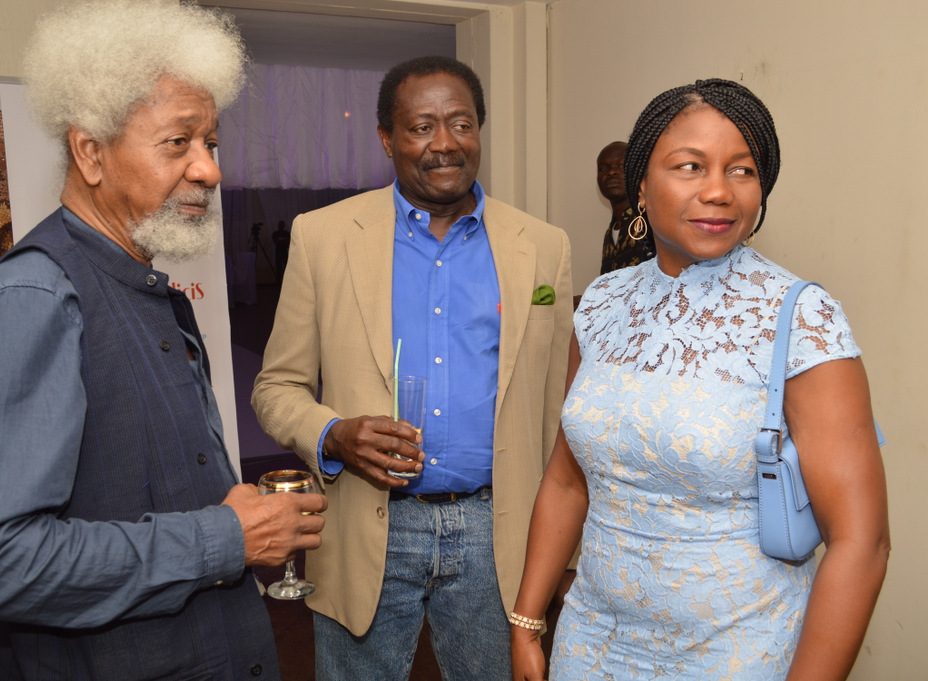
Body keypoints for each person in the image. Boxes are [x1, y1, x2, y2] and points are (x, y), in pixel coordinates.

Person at [0, 2, 325, 679]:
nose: (209, 170)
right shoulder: (39, 298)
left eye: (211, 144)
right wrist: (223, 538)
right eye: (178, 142)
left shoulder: (148, 288)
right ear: (91, 152)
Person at [510, 78, 889, 680]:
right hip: (591, 641)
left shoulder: (800, 318)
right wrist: (528, 619)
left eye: (742, 170)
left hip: (738, 650)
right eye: (690, 166)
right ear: (641, 185)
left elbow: (861, 543)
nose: (718, 191)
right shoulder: (602, 304)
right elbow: (567, 479)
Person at [252, 55, 572, 680]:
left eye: (461, 124)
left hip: (497, 530)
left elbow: (560, 407)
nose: (445, 143)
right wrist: (333, 434)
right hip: (368, 523)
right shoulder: (323, 237)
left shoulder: (543, 245)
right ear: (387, 139)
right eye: (422, 127)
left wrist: (567, 551)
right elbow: (277, 387)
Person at [596, 140, 654, 275]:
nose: (611, 172)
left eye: (621, 166)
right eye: (603, 168)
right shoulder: (611, 232)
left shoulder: (652, 222)